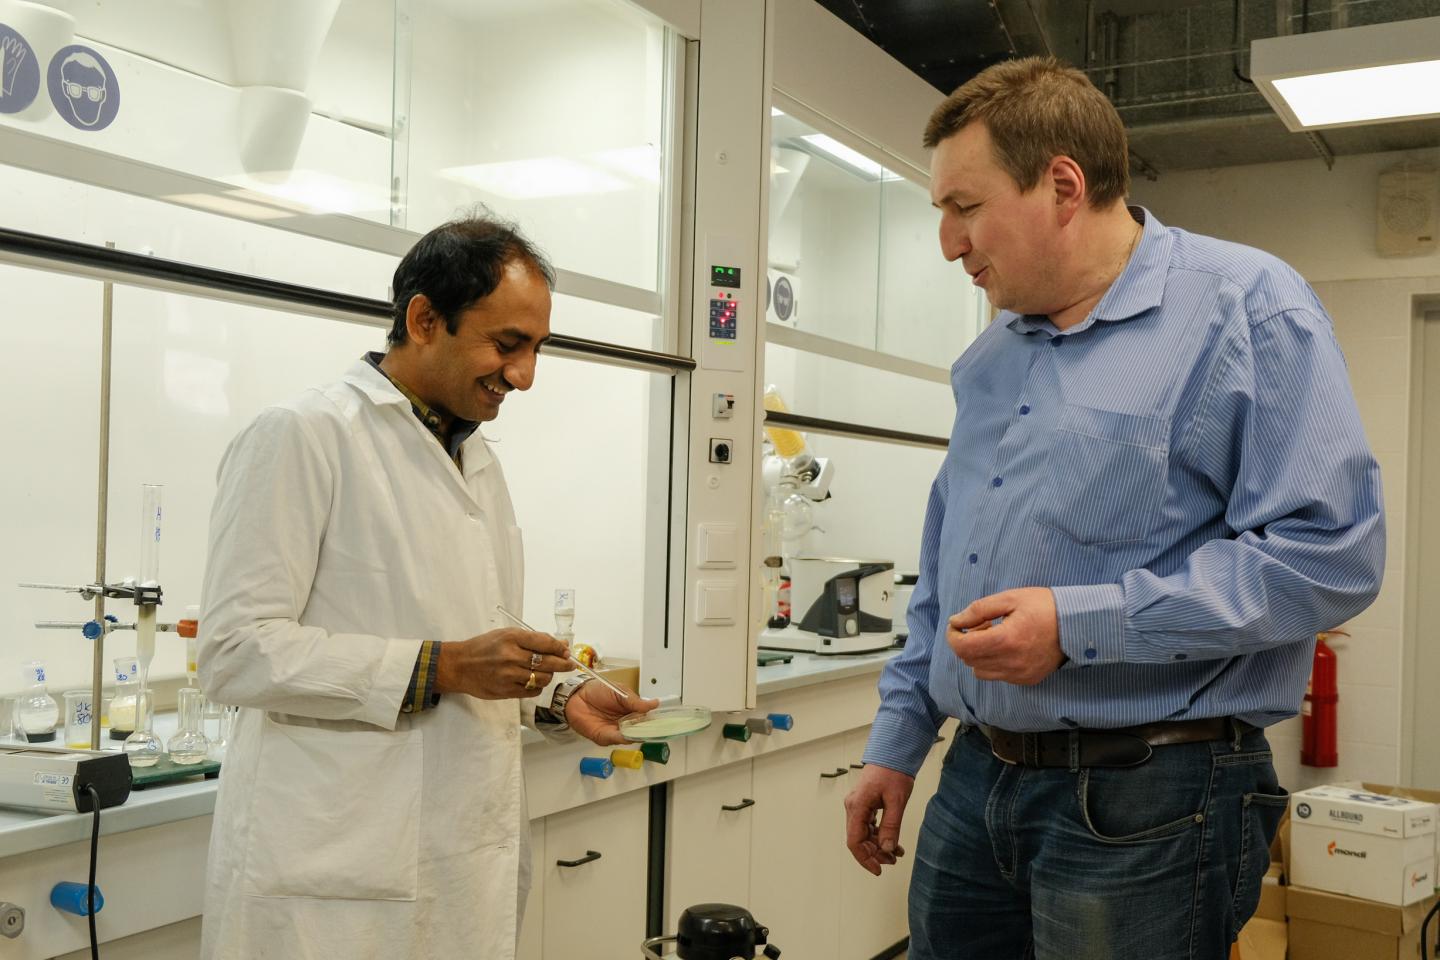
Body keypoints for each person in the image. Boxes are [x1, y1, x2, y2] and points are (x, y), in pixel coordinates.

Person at [844, 57, 1384, 960]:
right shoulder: (993, 357)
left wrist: (1083, 623)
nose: (946, 242)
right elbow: (947, 568)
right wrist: (897, 740)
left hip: (1153, 798)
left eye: (965, 207)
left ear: (1063, 185)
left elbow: (1331, 557)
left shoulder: (1245, 307)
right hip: (976, 783)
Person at [196, 214, 657, 960]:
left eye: (537, 348)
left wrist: (559, 694)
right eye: (508, 344)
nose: (525, 374)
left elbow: (476, 634)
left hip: (459, 861)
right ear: (423, 318)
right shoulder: (303, 434)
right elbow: (234, 651)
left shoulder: (476, 462)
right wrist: (438, 665)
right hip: (337, 873)